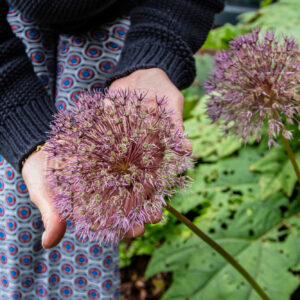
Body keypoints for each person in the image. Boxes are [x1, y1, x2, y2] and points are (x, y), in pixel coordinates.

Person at [0, 0, 224, 298]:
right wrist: (14, 112)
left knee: (87, 231)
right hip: (12, 50)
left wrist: (157, 51)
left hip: (133, 36)